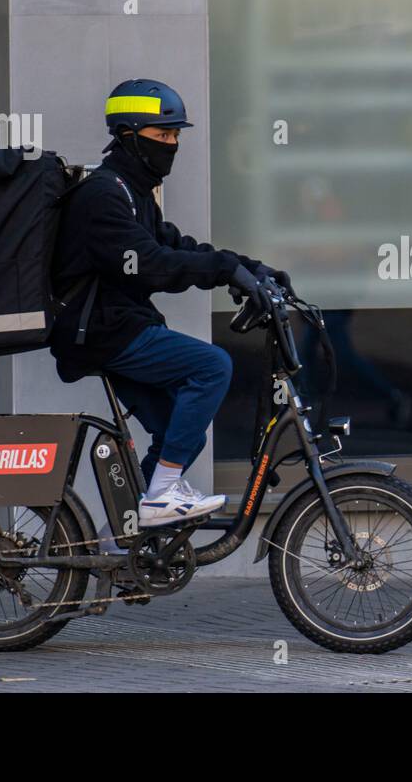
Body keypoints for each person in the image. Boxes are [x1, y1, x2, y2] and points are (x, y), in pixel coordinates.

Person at [48, 78, 291, 538]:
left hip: (116, 327)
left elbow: (176, 244)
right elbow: (151, 266)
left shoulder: (132, 192)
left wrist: (248, 268)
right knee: (212, 366)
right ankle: (160, 496)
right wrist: (223, 272)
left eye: (177, 135)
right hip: (103, 332)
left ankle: (132, 539)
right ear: (129, 136)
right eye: (163, 136)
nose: (173, 145)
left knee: (183, 433)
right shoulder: (103, 195)